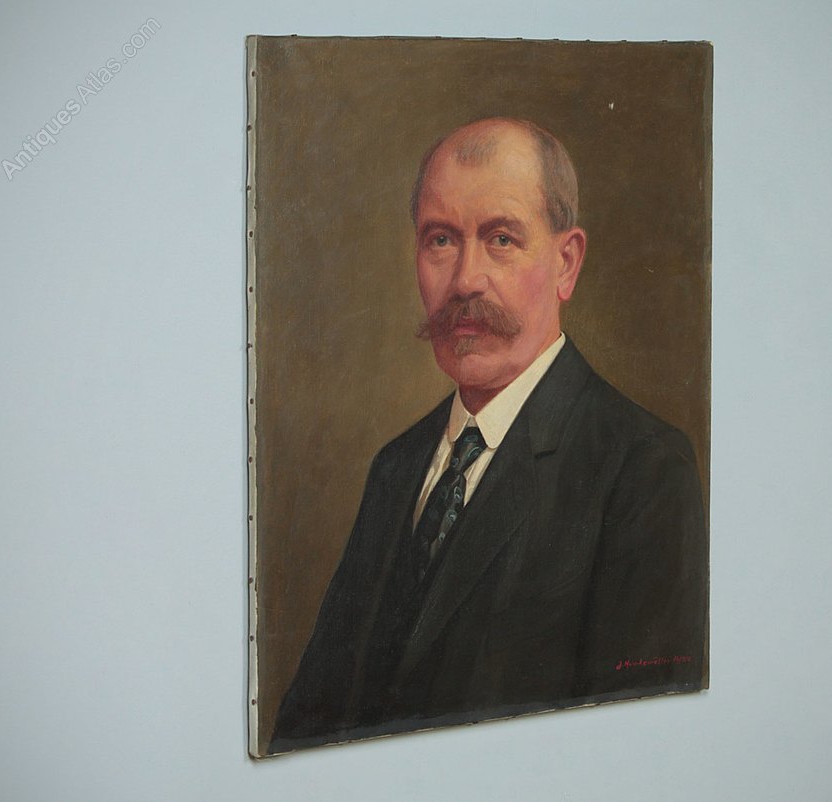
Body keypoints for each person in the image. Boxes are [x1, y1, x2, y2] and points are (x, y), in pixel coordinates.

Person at [269, 117, 707, 752]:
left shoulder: (644, 470)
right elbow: (306, 724)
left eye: (501, 239)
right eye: (441, 240)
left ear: (566, 263)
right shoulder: (396, 466)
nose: (465, 279)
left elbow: (634, 748)